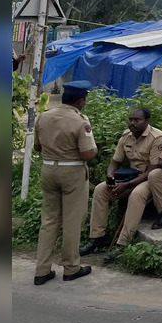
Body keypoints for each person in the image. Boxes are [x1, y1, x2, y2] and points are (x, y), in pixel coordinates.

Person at [33, 81, 98, 285]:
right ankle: (71, 267)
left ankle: (42, 270)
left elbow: (37, 147)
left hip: (48, 169)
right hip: (72, 171)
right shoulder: (80, 121)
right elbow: (87, 153)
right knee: (72, 221)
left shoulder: (44, 116)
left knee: (49, 220)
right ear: (80, 101)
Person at [80, 107, 162, 257]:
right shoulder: (126, 136)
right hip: (130, 177)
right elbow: (115, 162)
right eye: (130, 119)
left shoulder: (157, 138)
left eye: (137, 120)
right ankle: (97, 238)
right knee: (101, 190)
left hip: (149, 178)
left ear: (147, 121)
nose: (132, 123)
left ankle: (123, 243)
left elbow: (152, 170)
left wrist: (126, 185)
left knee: (137, 195)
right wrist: (110, 177)